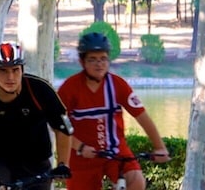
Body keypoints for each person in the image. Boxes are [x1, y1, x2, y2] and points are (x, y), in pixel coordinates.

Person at [0, 42, 73, 190]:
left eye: (15, 70)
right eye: (3, 71)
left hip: (35, 164)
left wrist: (63, 164)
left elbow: (63, 128)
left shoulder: (41, 90)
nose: (10, 77)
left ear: (22, 69)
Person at [59, 33, 170, 190]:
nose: (99, 64)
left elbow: (142, 116)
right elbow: (58, 126)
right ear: (82, 62)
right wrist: (80, 147)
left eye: (103, 58)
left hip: (116, 152)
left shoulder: (118, 85)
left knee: (136, 181)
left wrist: (160, 147)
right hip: (83, 156)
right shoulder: (69, 89)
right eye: (93, 59)